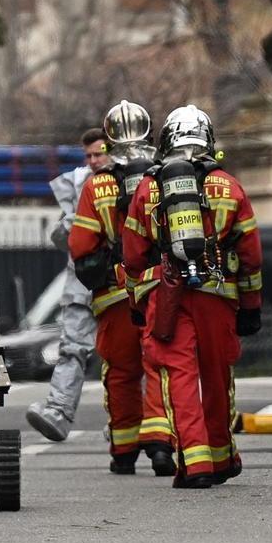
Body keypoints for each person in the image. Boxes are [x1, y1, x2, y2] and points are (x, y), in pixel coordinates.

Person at [122, 105, 263, 489]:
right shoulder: (230, 187)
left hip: (166, 296)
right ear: (208, 139)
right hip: (217, 295)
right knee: (216, 375)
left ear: (166, 141)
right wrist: (251, 308)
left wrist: (138, 304)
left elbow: (132, 254)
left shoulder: (148, 188)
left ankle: (196, 463)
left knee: (179, 377)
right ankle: (221, 457)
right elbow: (250, 255)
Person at [67, 101, 174, 476]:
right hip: (161, 290)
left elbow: (81, 249)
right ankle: (161, 444)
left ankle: (124, 449)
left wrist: (108, 272)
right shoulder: (165, 177)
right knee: (160, 365)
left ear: (108, 141)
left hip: (115, 295)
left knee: (121, 371)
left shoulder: (97, 187)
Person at [26, 128, 110, 441]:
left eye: (99, 153)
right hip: (83, 281)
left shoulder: (125, 181)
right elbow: (63, 237)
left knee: (124, 355)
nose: (93, 160)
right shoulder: (78, 184)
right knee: (71, 348)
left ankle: (126, 423)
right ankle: (59, 411)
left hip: (117, 282)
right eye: (88, 155)